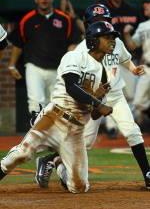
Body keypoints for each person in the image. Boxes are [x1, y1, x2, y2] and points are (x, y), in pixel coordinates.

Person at [35, 4, 150, 191]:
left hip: (115, 94)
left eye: (105, 20)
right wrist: (90, 101)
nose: (102, 24)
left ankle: (147, 174)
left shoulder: (116, 42)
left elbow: (124, 58)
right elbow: (74, 82)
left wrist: (133, 69)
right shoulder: (80, 51)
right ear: (88, 25)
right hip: (93, 99)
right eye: (97, 21)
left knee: (132, 131)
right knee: (85, 142)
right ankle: (51, 159)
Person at [0, 20, 115, 193]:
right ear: (93, 40)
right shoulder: (75, 56)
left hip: (75, 131)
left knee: (79, 187)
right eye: (107, 37)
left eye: (112, 37)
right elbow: (71, 86)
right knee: (22, 154)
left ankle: (59, 167)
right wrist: (97, 102)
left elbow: (94, 115)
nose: (112, 41)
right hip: (54, 118)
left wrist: (98, 104)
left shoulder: (103, 72)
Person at [8, 0, 78, 119]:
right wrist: (12, 65)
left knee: (57, 104)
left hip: (58, 69)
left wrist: (70, 64)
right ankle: (38, 136)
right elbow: (18, 44)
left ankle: (52, 137)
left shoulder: (65, 19)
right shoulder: (26, 20)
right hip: (34, 67)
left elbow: (73, 43)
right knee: (36, 103)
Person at [100, 0, 141, 137]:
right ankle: (111, 127)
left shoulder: (131, 10)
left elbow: (136, 42)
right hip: (109, 58)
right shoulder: (103, 9)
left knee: (130, 94)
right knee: (111, 93)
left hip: (127, 57)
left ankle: (125, 126)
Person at [123, 0, 150, 124]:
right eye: (145, 4)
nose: (145, 6)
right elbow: (133, 45)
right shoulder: (143, 26)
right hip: (147, 68)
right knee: (138, 102)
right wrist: (126, 34)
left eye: (148, 4)